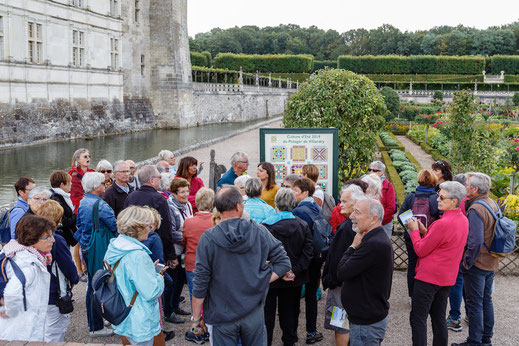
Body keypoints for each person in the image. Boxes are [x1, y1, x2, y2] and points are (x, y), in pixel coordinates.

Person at [190, 185, 291, 345]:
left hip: (221, 314)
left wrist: (196, 318)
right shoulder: (259, 231)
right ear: (238, 206)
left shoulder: (208, 238)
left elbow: (201, 281)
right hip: (253, 311)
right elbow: (283, 263)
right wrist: (262, 279)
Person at [406, 182, 468, 346]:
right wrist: (425, 231)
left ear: (454, 201)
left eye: (441, 197)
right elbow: (443, 242)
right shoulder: (463, 220)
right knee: (438, 317)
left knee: (418, 318)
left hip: (428, 277)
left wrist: (413, 231)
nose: (437, 200)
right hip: (446, 278)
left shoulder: (442, 223)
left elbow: (420, 250)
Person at [104, 206, 167, 346]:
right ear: (138, 227)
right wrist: (158, 277)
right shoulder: (138, 255)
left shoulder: (115, 246)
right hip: (139, 316)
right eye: (148, 225)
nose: (150, 229)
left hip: (122, 309)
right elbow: (151, 292)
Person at [337, 198, 394, 346]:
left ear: (374, 218)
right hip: (364, 318)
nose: (351, 217)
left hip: (366, 323)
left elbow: (342, 271)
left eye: (357, 212)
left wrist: (352, 246)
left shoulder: (373, 244)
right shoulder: (373, 238)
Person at [262, 188, 313, 346]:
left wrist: (278, 270)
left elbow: (262, 254)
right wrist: (294, 270)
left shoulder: (265, 226)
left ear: (276, 203)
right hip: (293, 278)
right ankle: (289, 341)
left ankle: (266, 341)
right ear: (294, 204)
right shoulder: (303, 225)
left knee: (267, 314)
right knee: (290, 313)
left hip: (271, 277)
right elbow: (308, 252)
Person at [452, 173, 498, 346]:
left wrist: (467, 262)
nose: (465, 186)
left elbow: (475, 241)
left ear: (475, 189)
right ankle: (486, 338)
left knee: (474, 303)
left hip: (478, 263)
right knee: (486, 300)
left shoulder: (476, 209)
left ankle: (474, 341)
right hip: (490, 261)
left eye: (467, 184)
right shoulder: (491, 203)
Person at [74, 172, 117, 337]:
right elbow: (114, 226)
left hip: (87, 246)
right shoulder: (100, 205)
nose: (105, 185)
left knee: (93, 284)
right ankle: (96, 326)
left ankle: (97, 320)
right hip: (99, 248)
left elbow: (79, 224)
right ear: (96, 186)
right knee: (97, 285)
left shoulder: (83, 201)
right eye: (102, 183)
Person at [0, 215, 55, 341]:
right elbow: (12, 293)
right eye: (47, 237)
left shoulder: (13, 253)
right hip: (23, 329)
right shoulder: (28, 264)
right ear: (32, 240)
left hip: (18, 326)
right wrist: (10, 312)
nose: (53, 240)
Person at [322, 184, 365, 346]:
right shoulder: (355, 225)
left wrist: (330, 280)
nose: (341, 205)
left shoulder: (348, 227)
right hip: (349, 283)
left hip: (340, 284)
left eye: (345, 201)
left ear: (356, 204)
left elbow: (337, 258)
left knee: (341, 325)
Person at [35, 200, 80, 342]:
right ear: (58, 219)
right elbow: (68, 268)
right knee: (54, 333)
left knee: (41, 331)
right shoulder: (56, 240)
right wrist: (75, 279)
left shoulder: (32, 238)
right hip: (54, 294)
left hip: (37, 293)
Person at [291, 177, 324, 344]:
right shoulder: (316, 207)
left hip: (304, 259)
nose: (293, 194)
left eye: (295, 191)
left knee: (296, 296)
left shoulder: (299, 211)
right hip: (317, 258)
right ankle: (311, 332)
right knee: (311, 296)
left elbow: (299, 238)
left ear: (305, 192)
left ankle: (294, 333)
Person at [398, 169, 440, 301]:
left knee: (412, 265)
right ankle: (427, 296)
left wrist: (411, 226)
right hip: (430, 237)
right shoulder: (435, 198)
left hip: (411, 236)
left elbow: (400, 216)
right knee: (429, 265)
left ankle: (412, 296)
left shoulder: (411, 196)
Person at [124, 165, 176, 270]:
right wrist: (171, 255)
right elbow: (165, 229)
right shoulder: (159, 199)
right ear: (152, 180)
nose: (161, 179)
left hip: (132, 246)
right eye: (159, 177)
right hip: (153, 247)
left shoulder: (131, 196)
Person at [164, 178, 193, 324]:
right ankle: (168, 311)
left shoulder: (187, 205)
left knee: (181, 279)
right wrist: (189, 236)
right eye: (182, 192)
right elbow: (171, 232)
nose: (186, 194)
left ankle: (175, 305)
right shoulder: (170, 208)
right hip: (175, 249)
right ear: (174, 193)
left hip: (185, 248)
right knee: (172, 281)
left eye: (187, 191)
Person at [182, 187, 214, 305]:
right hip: (212, 262)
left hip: (193, 262)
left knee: (194, 294)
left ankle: (196, 318)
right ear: (211, 204)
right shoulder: (216, 221)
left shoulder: (189, 222)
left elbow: (184, 241)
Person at [446, 173, 469, 333]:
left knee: (457, 281)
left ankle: (455, 317)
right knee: (466, 283)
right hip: (469, 248)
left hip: (460, 248)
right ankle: (468, 314)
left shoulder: (460, 204)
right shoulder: (472, 202)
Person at [368, 161, 396, 238]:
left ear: (382, 172)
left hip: (384, 223)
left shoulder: (388, 186)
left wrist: (377, 220)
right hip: (368, 223)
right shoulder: (366, 183)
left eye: (375, 170)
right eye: (369, 170)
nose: (371, 172)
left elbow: (391, 208)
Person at [49, 171, 77, 247]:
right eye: (69, 182)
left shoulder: (61, 196)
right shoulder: (56, 199)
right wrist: (76, 217)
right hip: (61, 237)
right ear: (62, 185)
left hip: (64, 236)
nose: (71, 184)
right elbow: (62, 222)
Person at [69, 148, 94, 213]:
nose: (88, 158)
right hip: (80, 207)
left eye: (89, 156)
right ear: (78, 160)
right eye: (85, 157)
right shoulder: (73, 175)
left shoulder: (92, 172)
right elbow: (75, 196)